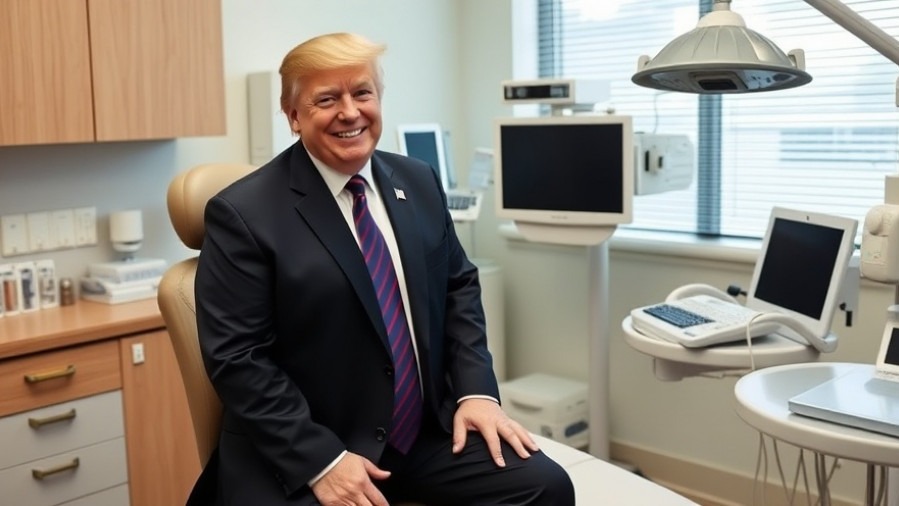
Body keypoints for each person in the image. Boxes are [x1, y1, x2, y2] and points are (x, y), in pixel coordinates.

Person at [192, 32, 575, 506]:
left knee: (545, 487)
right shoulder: (244, 214)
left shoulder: (417, 180)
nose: (349, 112)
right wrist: (323, 461)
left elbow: (458, 288)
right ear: (293, 116)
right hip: (308, 445)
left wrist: (476, 392)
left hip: (421, 436)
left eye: (362, 92)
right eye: (326, 99)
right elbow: (238, 358)